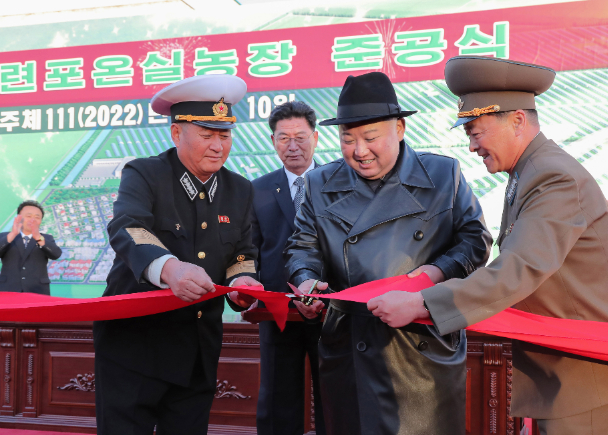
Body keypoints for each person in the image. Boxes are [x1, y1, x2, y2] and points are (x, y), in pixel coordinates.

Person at [367, 56, 608, 435]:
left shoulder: (552, 177)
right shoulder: (530, 171)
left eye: (476, 132)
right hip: (573, 373)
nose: (472, 146)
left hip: (591, 378)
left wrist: (420, 303)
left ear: (518, 120)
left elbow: (518, 269)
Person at [284, 72, 492, 435]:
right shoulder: (319, 184)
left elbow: (475, 241)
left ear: (399, 128)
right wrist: (306, 282)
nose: (359, 151)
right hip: (351, 347)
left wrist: (431, 275)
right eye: (347, 139)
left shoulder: (443, 174)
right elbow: (303, 246)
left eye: (369, 137)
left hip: (421, 350)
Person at [93, 74, 261, 435]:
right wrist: (169, 269)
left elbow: (242, 253)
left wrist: (242, 280)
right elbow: (129, 226)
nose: (218, 146)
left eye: (224, 135)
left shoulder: (239, 189)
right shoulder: (146, 173)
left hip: (198, 350)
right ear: (176, 134)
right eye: (206, 134)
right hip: (135, 347)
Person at [250, 101, 325, 435]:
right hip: (276, 310)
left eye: (300, 137)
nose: (293, 146)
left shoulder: (338, 182)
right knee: (278, 397)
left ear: (316, 138)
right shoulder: (257, 189)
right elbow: (250, 248)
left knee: (334, 395)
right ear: (272, 141)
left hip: (329, 307)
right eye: (284, 138)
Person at [0, 200, 62, 294]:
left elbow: (56, 254)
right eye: (28, 216)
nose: (32, 220)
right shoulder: (5, 237)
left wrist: (38, 238)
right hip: (9, 289)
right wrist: (12, 234)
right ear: (19, 218)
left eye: (37, 217)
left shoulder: (46, 238)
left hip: (38, 290)